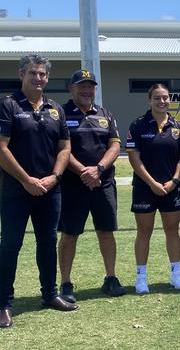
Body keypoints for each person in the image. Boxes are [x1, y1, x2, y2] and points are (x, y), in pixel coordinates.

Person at [0, 54, 77, 329]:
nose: (38, 78)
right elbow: (2, 148)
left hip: (49, 189)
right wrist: (26, 180)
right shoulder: (8, 105)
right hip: (15, 190)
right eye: (33, 73)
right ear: (21, 75)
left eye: (43, 74)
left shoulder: (56, 108)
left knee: (46, 243)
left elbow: (65, 148)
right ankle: (3, 304)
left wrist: (55, 176)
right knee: (10, 245)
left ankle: (50, 294)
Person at [57, 69, 125, 302]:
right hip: (72, 185)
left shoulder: (105, 114)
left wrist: (99, 169)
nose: (87, 90)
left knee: (106, 232)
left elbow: (115, 146)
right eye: (82, 86)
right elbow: (61, 149)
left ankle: (111, 278)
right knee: (69, 234)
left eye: (91, 86)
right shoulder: (60, 114)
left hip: (103, 183)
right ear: (71, 89)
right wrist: (83, 171)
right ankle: (65, 283)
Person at [126, 84, 180, 294]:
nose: (162, 102)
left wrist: (174, 181)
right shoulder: (138, 125)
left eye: (165, 98)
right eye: (157, 98)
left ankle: (176, 274)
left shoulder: (178, 126)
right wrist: (152, 183)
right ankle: (141, 278)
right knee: (144, 232)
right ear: (149, 100)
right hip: (145, 188)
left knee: (172, 231)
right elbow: (134, 158)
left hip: (171, 187)